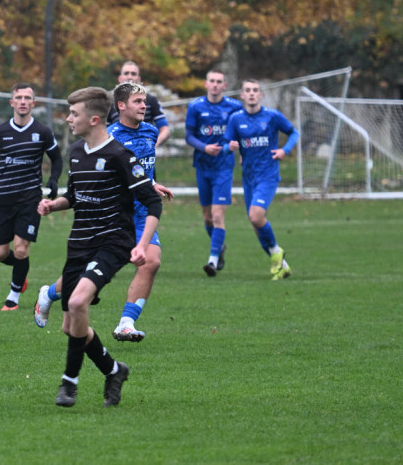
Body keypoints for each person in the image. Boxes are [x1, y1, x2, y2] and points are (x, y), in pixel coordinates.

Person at [36, 86, 163, 409]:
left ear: (94, 119)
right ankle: (114, 370)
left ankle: (69, 384)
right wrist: (55, 204)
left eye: (74, 114)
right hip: (79, 243)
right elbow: (76, 196)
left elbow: (152, 203)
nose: (68, 119)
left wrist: (142, 246)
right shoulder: (77, 151)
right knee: (71, 326)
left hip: (113, 241)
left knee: (78, 302)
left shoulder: (121, 156)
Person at [0, 83, 63, 311]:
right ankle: (20, 272)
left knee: (21, 249)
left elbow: (58, 159)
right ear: (12, 103)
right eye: (18, 97)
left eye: (27, 97)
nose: (23, 101)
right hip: (2, 198)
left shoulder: (42, 132)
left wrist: (53, 181)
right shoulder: (0, 132)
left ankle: (13, 297)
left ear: (33, 103)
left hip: (29, 200)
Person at [107, 82, 173, 341]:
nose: (144, 106)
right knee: (92, 271)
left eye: (144, 101)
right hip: (115, 213)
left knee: (152, 261)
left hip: (142, 211)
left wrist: (152, 184)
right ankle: (51, 293)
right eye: (137, 101)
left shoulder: (150, 132)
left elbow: (142, 172)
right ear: (121, 105)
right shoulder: (110, 137)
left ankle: (126, 323)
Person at [225, 79, 299, 280]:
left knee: (256, 216)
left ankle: (276, 252)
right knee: (256, 225)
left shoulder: (272, 116)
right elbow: (226, 144)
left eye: (255, 90)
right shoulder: (235, 119)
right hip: (248, 177)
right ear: (242, 95)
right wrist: (229, 147)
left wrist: (285, 150)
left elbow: (293, 132)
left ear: (261, 95)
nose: (251, 93)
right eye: (247, 90)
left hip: (268, 175)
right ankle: (282, 266)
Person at [184, 70, 243, 276]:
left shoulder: (235, 107)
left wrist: (241, 151)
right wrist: (204, 147)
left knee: (218, 215)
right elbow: (189, 136)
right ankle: (220, 247)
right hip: (202, 165)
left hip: (224, 167)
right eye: (212, 81)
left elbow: (242, 132)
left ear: (225, 85)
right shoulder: (196, 106)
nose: (215, 85)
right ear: (206, 83)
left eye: (219, 82)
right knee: (208, 217)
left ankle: (212, 260)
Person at [107, 61, 171, 146]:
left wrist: (152, 145)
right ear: (120, 78)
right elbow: (104, 132)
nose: (130, 77)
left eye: (133, 74)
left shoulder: (151, 100)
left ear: (139, 79)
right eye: (126, 73)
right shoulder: (110, 102)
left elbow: (165, 129)